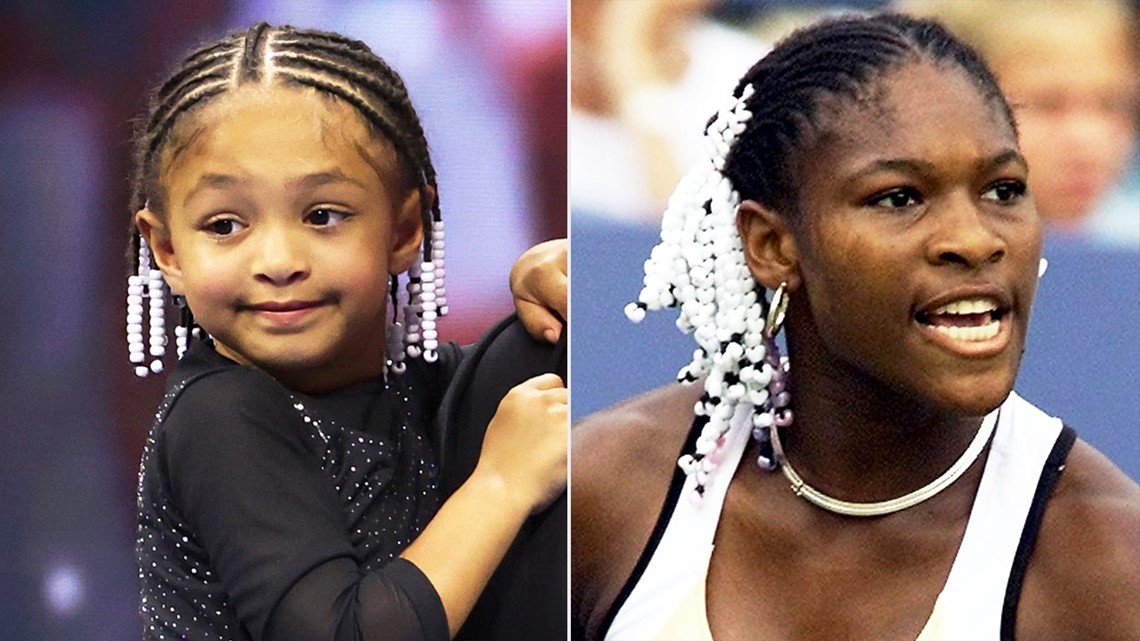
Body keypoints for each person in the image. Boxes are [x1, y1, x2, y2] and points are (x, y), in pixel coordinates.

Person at [572, 13, 1139, 641]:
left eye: (1003, 190)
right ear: (773, 244)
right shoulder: (607, 491)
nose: (975, 240)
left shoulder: (1108, 560)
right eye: (899, 198)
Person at [128, 23, 567, 640]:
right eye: (225, 225)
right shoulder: (222, 416)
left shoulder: (414, 391)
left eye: (322, 216)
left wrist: (549, 273)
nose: (277, 261)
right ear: (169, 249)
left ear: (404, 230)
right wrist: (502, 484)